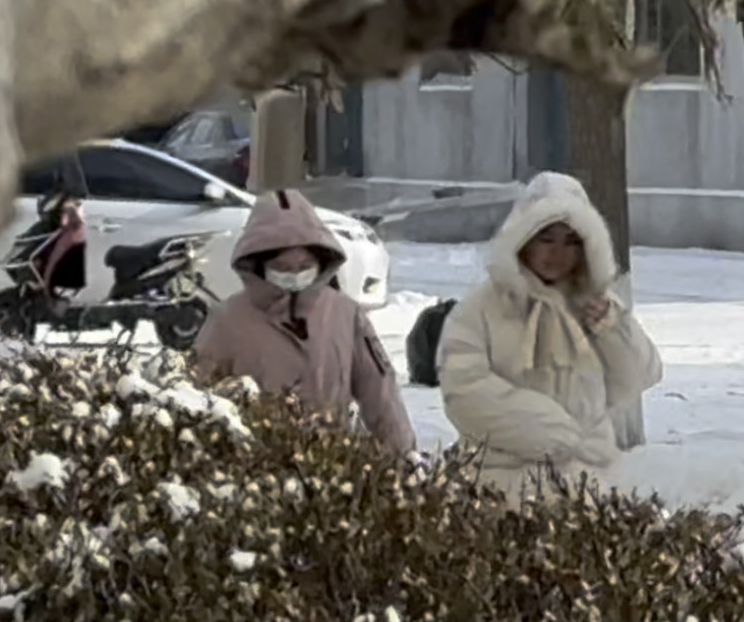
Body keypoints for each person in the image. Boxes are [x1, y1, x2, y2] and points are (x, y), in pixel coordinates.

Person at [439, 172, 663, 499]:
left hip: (588, 491)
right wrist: (548, 429)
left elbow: (641, 376)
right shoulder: (482, 309)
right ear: (522, 237)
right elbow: (464, 391)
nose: (557, 252)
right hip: (498, 490)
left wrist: (613, 331)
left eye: (571, 242)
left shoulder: (596, 305)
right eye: (545, 238)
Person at [188, 190, 415, 455]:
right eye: (283, 267)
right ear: (260, 264)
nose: (295, 274)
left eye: (305, 265)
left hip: (332, 469)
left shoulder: (345, 315)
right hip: (254, 471)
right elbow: (196, 399)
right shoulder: (227, 322)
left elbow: (380, 393)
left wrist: (403, 457)